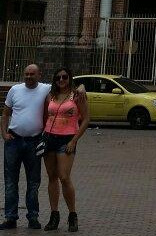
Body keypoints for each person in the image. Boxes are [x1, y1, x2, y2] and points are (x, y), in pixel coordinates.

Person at [1, 65, 85, 231]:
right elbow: (5, 113)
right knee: (12, 181)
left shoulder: (51, 90)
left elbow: (83, 110)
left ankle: (40, 217)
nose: (29, 76)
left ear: (40, 75)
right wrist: (4, 134)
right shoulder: (19, 90)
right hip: (21, 140)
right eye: (26, 74)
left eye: (32, 74)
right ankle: (13, 217)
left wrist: (82, 86)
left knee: (42, 181)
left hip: (40, 141)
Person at [42, 67, 89, 233]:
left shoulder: (77, 95)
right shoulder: (51, 95)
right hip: (49, 138)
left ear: (70, 78)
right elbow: (45, 117)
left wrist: (74, 140)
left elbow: (86, 119)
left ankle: (72, 215)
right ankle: (54, 215)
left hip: (67, 139)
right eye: (58, 77)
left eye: (64, 77)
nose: (61, 80)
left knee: (64, 177)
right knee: (52, 177)